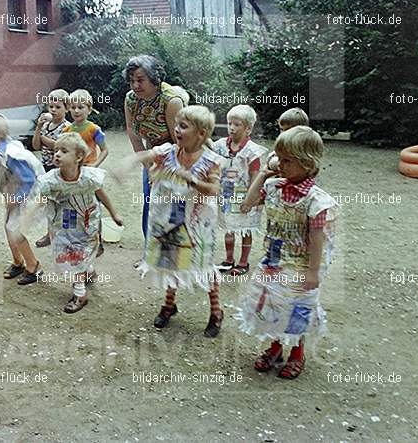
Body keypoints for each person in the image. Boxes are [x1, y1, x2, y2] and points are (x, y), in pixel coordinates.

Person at [237, 126, 338, 379]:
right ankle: (275, 347)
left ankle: (297, 353)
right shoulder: (273, 188)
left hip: (299, 268)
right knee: (272, 307)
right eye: (279, 158)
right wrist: (262, 173)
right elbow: (246, 205)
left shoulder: (316, 201)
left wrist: (313, 272)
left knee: (296, 312)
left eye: (287, 160)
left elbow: (317, 239)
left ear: (307, 163)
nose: (280, 164)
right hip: (273, 264)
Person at [118, 105, 224, 337]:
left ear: (201, 133)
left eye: (183, 126)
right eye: (177, 124)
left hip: (197, 226)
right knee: (169, 261)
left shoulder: (210, 161)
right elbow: (146, 155)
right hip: (166, 220)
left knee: (203, 265)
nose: (176, 129)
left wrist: (191, 180)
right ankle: (169, 304)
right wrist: (128, 164)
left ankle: (216, 311)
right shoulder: (167, 152)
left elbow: (213, 190)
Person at [34, 133, 123, 313]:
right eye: (56, 150)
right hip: (65, 221)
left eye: (64, 151)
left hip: (88, 220)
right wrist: (29, 213)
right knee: (72, 253)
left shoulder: (89, 177)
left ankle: (81, 287)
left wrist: (114, 213)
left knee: (82, 251)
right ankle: (84, 279)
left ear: (79, 157)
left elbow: (101, 193)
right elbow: (40, 199)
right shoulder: (51, 179)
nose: (57, 154)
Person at [123, 55, 185, 239]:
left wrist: (166, 172)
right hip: (151, 155)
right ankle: (149, 253)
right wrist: (150, 169)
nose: (135, 86)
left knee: (173, 205)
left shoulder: (171, 101)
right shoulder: (131, 100)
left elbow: (180, 142)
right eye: (131, 81)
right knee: (150, 202)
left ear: (154, 79)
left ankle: (174, 254)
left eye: (140, 80)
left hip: (177, 156)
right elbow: (133, 135)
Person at [0, 113, 44, 285]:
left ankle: (33, 266)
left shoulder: (10, 153)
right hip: (14, 194)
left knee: (15, 230)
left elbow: (29, 179)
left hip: (27, 196)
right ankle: (18, 261)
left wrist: (16, 199)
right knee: (9, 228)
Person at [213, 105, 267, 276]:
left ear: (248, 128)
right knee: (228, 226)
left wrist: (251, 199)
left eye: (237, 124)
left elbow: (255, 175)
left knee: (246, 229)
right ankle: (229, 259)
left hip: (245, 195)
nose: (232, 128)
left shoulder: (251, 150)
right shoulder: (221, 146)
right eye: (230, 124)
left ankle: (244, 262)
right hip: (227, 196)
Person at [32, 89, 71, 247]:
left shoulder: (67, 127)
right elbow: (35, 146)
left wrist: (42, 138)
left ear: (66, 108)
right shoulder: (45, 125)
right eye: (51, 106)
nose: (53, 110)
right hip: (46, 169)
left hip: (63, 171)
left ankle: (69, 235)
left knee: (67, 203)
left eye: (58, 106)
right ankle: (50, 234)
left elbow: (58, 146)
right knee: (49, 203)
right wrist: (38, 127)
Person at [62, 89, 107, 167]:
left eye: (80, 107)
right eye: (73, 107)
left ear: (89, 110)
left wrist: (95, 164)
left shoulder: (94, 129)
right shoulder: (66, 130)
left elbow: (104, 150)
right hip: (72, 168)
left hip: (89, 167)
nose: (76, 111)